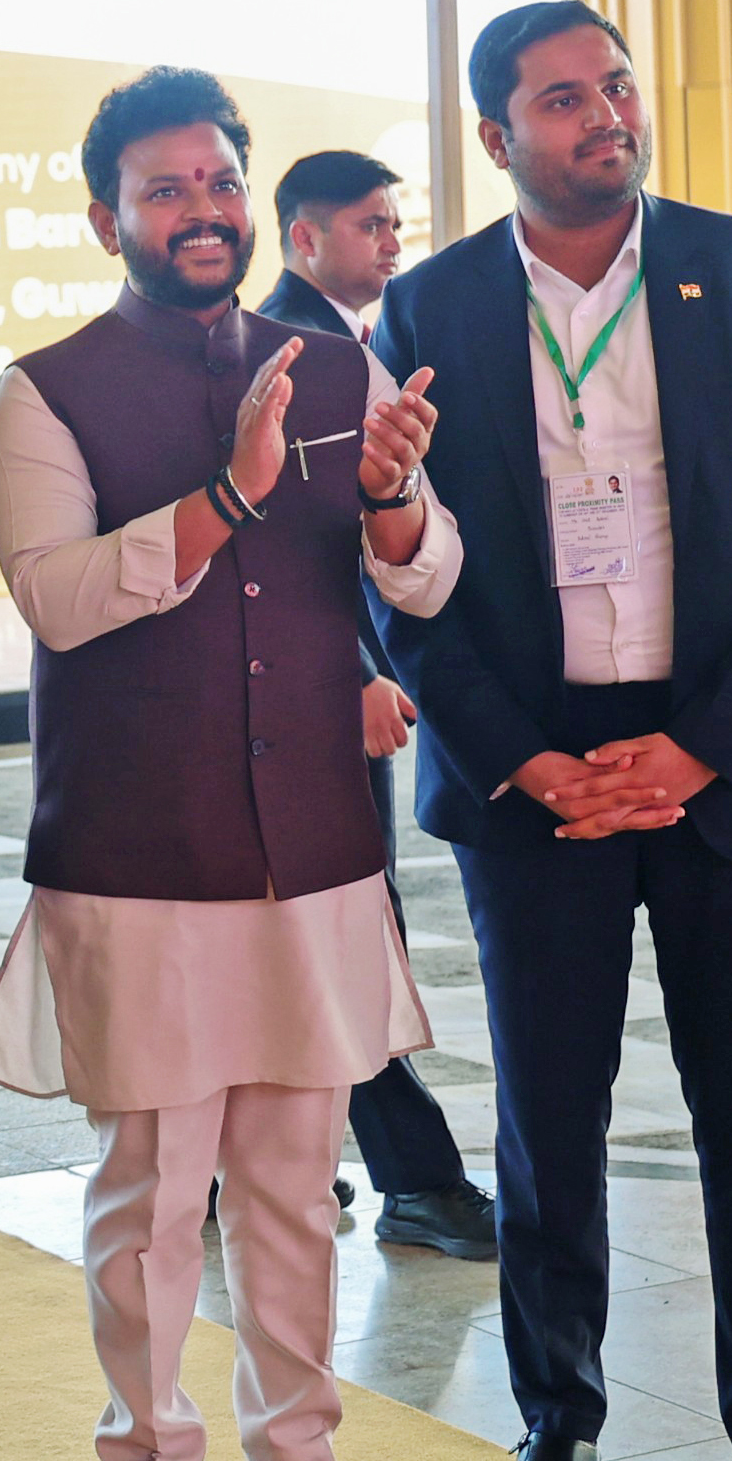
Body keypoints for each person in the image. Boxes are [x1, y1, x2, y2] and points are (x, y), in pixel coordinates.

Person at [374, 0, 732, 1461]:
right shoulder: (437, 308)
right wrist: (529, 761)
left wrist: (702, 748)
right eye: (562, 98)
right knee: (549, 1119)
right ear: (495, 138)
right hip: (539, 781)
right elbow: (405, 573)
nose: (606, 113)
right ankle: (556, 1426)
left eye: (616, 84)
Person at [0, 68, 456, 1461]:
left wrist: (392, 500)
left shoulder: (343, 373)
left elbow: (424, 577)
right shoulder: (43, 389)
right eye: (166, 188)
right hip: (138, 856)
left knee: (296, 1188)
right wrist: (229, 495)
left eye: (219, 183)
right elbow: (57, 601)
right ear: (106, 212)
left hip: (312, 845)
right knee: (150, 1198)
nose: (201, 210)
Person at [257, 151, 498, 1263]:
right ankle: (419, 1178)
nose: (391, 240)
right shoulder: (290, 359)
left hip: (331, 689)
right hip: (310, 704)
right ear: (301, 239)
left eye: (394, 220)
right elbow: (290, 554)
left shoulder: (343, 349)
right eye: (367, 224)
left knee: (315, 935)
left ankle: (238, 1165)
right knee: (347, 936)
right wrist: (353, 674)